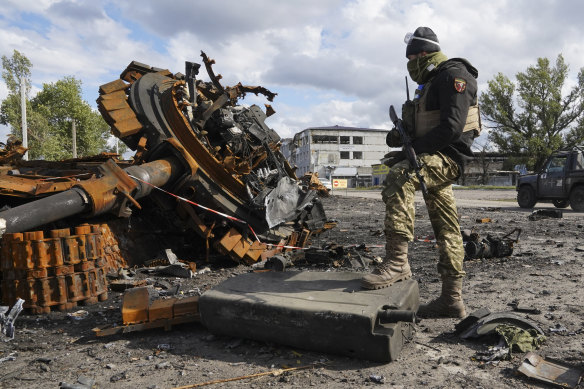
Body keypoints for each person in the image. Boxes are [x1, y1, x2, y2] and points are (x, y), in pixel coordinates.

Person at [361, 27, 480, 319]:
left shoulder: (454, 75)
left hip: (448, 158)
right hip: (431, 156)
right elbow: (426, 124)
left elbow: (451, 128)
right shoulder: (430, 83)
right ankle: (452, 300)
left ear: (424, 54)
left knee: (400, 175)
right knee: (448, 228)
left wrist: (408, 153)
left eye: (413, 57)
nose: (411, 64)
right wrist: (400, 137)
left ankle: (398, 262)